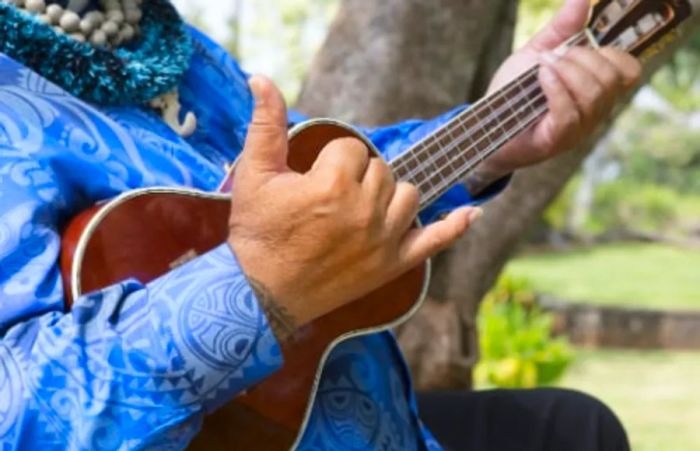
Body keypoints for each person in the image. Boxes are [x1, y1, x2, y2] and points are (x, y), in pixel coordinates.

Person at [0, 0, 640, 449]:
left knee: (573, 427)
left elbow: (321, 191)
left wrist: (496, 131)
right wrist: (258, 289)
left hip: (379, 423)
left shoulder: (175, 48)